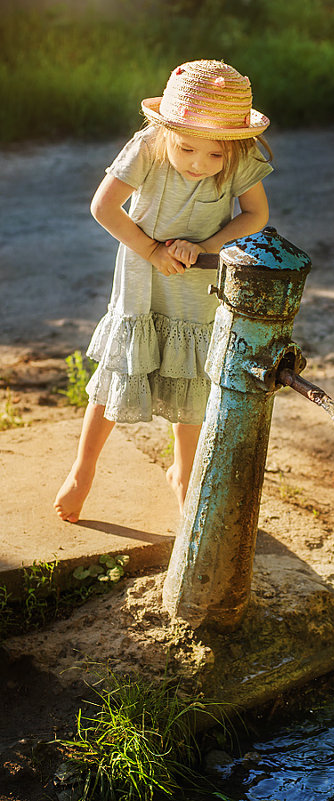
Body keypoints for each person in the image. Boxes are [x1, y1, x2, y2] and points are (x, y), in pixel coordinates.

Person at [54, 59, 273, 522]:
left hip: (196, 282)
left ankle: (183, 473)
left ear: (233, 148)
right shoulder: (150, 147)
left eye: (214, 156)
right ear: (169, 133)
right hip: (143, 277)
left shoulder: (239, 157)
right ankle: (83, 470)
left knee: (192, 382)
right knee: (120, 370)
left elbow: (255, 215)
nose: (200, 164)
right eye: (189, 149)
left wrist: (208, 246)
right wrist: (152, 251)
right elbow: (104, 207)